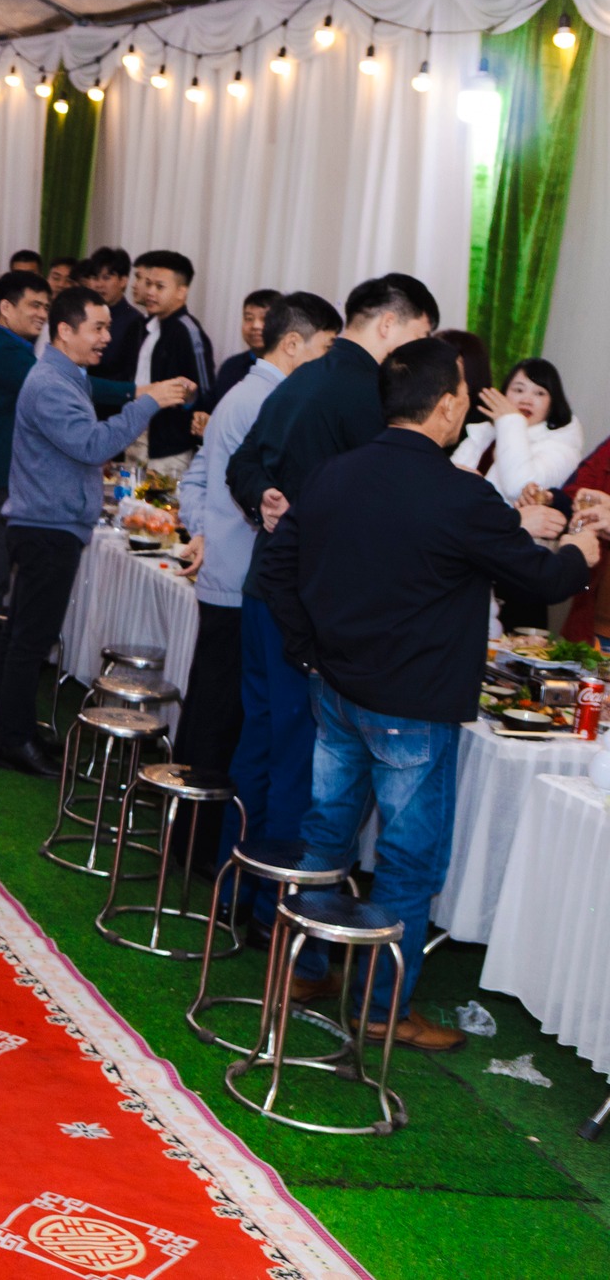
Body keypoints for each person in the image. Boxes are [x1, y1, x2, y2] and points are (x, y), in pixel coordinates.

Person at [260, 337, 596, 1049]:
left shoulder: (336, 472)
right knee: (408, 862)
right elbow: (543, 580)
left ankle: (305, 969)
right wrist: (582, 550)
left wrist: (309, 650)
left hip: (337, 688)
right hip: (410, 706)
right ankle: (382, 1009)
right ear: (446, 406)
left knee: (327, 835)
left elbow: (277, 567)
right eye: (463, 400)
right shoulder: (460, 493)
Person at [223, 273, 439, 914]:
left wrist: (261, 496)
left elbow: (243, 463)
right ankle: (276, 909)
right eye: (420, 335)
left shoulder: (301, 377)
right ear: (390, 324)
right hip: (310, 604)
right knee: (299, 758)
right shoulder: (369, 394)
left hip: (265, 587)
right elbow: (380, 504)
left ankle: (235, 883)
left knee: (260, 739)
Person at [0, 288, 191, 777]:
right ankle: (13, 741)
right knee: (29, 641)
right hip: (46, 529)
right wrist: (148, 402)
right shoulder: (51, 384)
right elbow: (92, 444)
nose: (106, 338)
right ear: (65, 331)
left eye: (107, 327)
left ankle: (11, 731)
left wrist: (139, 396)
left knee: (24, 636)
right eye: (97, 328)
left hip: (48, 523)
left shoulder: (68, 375)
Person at [175, 293, 341, 877]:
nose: (329, 364)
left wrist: (202, 530)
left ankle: (197, 845)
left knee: (217, 717)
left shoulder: (245, 393)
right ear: (293, 344)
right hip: (242, 579)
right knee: (223, 726)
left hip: (229, 573)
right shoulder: (272, 400)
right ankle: (202, 850)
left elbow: (199, 475)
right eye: (325, 349)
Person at [0, 272, 131, 681]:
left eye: (46, 306)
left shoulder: (12, 347)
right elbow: (79, 387)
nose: (42, 314)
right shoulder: (8, 352)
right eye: (34, 305)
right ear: (5, 307)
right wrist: (140, 394)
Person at [100, 249, 212, 475]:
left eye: (160, 287)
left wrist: (190, 401)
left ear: (181, 292)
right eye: (148, 284)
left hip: (168, 447)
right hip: (133, 434)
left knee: (161, 498)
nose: (150, 292)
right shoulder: (140, 327)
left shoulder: (188, 331)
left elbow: (205, 391)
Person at [451, 357, 584, 502]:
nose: (526, 400)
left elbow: (518, 488)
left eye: (539, 393)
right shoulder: (486, 432)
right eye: (518, 390)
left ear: (552, 404)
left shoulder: (562, 449)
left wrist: (513, 421)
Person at [200, 288, 280, 416]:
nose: (255, 326)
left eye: (265, 319)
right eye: (249, 318)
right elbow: (211, 407)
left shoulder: (288, 372)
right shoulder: (231, 366)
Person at [83, 246, 145, 383]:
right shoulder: (82, 314)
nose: (99, 284)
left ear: (123, 281)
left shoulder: (134, 321)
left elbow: (129, 375)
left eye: (106, 278)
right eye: (95, 278)